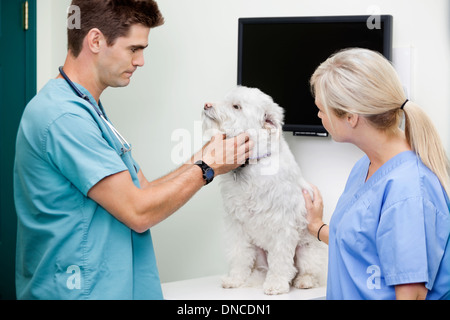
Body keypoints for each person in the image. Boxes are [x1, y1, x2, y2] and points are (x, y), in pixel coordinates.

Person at [14, 0, 253, 300]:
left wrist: (206, 155)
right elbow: (138, 211)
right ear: (96, 40)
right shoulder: (65, 118)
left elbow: (143, 191)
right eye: (134, 49)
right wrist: (207, 168)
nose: (140, 61)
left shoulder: (87, 109)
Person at [303, 48, 450, 300]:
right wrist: (316, 226)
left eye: (322, 109)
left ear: (350, 117)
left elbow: (411, 295)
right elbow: (363, 244)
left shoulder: (409, 189)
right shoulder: (367, 165)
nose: (318, 115)